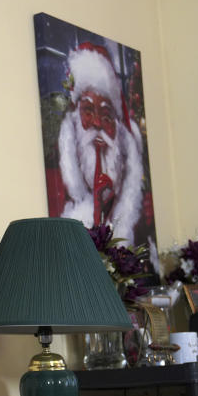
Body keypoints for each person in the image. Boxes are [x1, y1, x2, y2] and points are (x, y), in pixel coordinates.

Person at [52, 42, 148, 246]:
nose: (97, 123)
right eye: (88, 111)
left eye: (106, 116)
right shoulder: (54, 189)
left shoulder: (143, 211)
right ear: (75, 119)